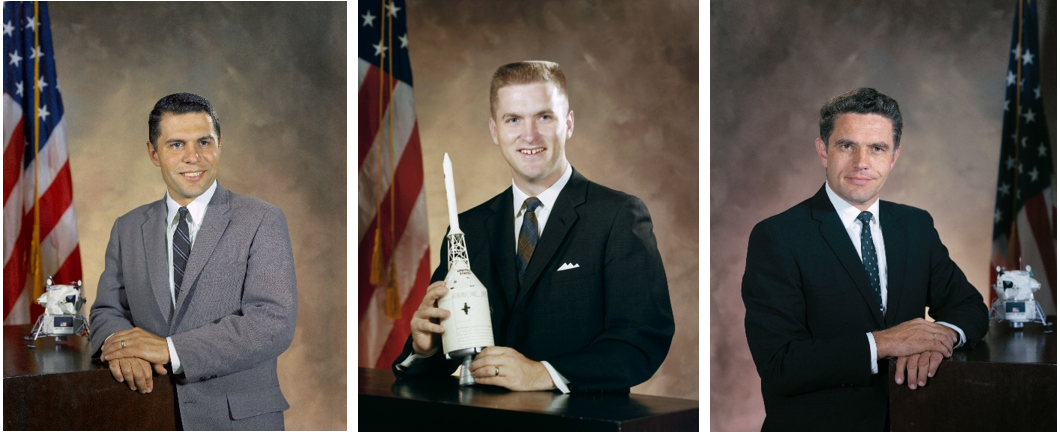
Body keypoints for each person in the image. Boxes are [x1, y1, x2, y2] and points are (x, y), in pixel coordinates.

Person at [391, 61, 674, 393]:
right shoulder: (468, 228)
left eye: (544, 117)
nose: (529, 135)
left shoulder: (618, 216)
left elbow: (641, 340)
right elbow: (449, 349)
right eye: (513, 119)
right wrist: (425, 350)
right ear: (495, 130)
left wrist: (542, 374)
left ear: (567, 123)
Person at [741, 88, 989, 431]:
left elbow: (970, 306)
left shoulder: (915, 226)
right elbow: (781, 365)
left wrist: (939, 338)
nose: (862, 162)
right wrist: (886, 343)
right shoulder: (778, 237)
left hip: (910, 419)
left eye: (877, 148)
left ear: (894, 156)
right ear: (823, 151)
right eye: (847, 145)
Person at [89, 93, 297, 430]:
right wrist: (124, 347)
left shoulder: (261, 219)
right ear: (153, 153)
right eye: (176, 145)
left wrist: (171, 350)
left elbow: (272, 323)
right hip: (149, 413)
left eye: (204, 142)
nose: (193, 157)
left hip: (237, 420)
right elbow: (106, 311)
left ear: (220, 145)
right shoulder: (127, 227)